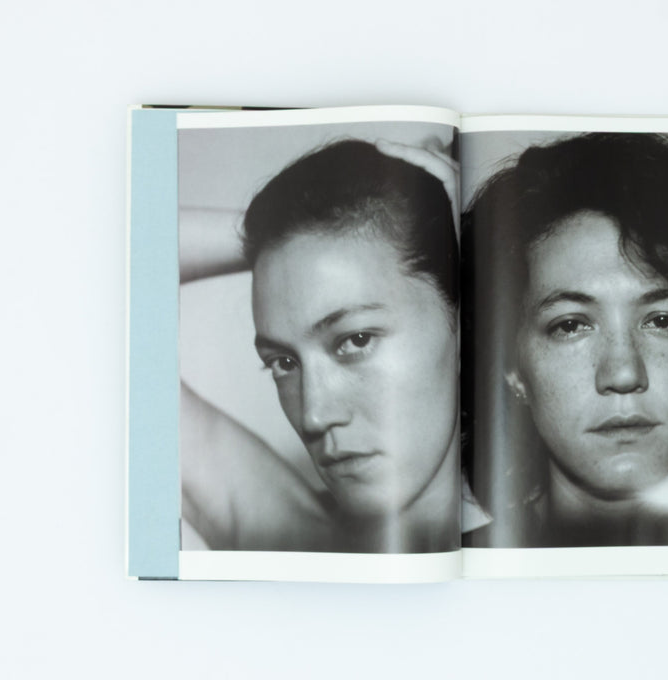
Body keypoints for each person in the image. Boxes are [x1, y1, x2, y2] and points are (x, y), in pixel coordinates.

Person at [462, 132, 668, 547]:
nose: (624, 373)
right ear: (513, 368)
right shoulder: (467, 564)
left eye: (661, 321)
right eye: (570, 326)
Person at [181, 137, 464, 553]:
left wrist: (480, 238)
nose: (314, 415)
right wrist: (279, 239)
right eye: (283, 363)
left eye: (356, 340)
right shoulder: (288, 536)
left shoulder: (544, 550)